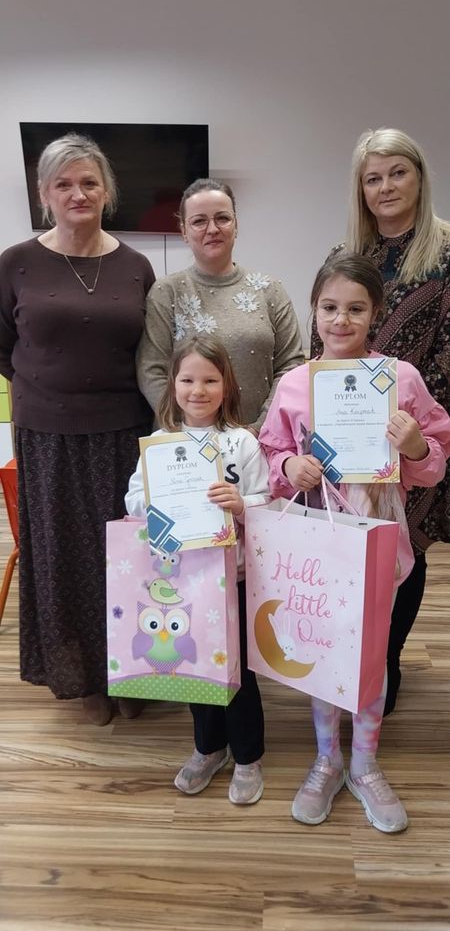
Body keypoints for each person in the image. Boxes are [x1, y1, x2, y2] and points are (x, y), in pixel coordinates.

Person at [261, 254, 450, 833]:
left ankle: (364, 763)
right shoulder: (295, 383)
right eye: (329, 307)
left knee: (371, 652)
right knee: (322, 647)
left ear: (376, 314)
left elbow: (434, 465)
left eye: (356, 309)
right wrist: (289, 465)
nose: (341, 320)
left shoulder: (400, 380)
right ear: (314, 310)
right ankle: (327, 759)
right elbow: (270, 452)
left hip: (378, 539)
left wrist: (416, 446)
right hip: (316, 541)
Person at [0, 132, 155, 725]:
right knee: (65, 558)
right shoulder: (16, 262)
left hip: (124, 434)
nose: (77, 193)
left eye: (89, 182)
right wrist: (47, 389)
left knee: (128, 556)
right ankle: (85, 678)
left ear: (107, 190)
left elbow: (150, 349)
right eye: (63, 184)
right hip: (48, 438)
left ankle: (135, 670)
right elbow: (4, 345)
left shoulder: (136, 266)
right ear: (44, 195)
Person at [312, 128, 450, 714]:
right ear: (360, 189)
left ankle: (386, 657)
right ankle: (346, 655)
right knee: (347, 540)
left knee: (403, 544)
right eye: (373, 178)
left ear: (419, 176)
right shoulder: (346, 254)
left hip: (412, 432)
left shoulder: (445, 253)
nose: (386, 186)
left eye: (398, 172)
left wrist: (400, 413)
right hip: (344, 435)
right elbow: (322, 339)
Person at [126, 334, 270, 804]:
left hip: (236, 577)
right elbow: (133, 500)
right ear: (173, 385)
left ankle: (248, 756)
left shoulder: (242, 442)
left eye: (210, 380)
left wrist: (241, 503)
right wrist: (156, 502)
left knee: (239, 672)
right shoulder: (160, 444)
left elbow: (268, 500)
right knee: (196, 667)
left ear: (227, 386)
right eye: (187, 380)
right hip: (183, 579)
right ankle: (209, 748)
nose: (198, 390)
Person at [136, 178, 304, 432]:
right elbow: (150, 370)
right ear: (184, 230)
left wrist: (258, 429)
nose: (212, 229)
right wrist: (191, 432)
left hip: (259, 440)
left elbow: (291, 366)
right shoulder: (166, 292)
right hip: (184, 443)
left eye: (222, 218)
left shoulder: (270, 291)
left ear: (236, 225)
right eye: (199, 221)